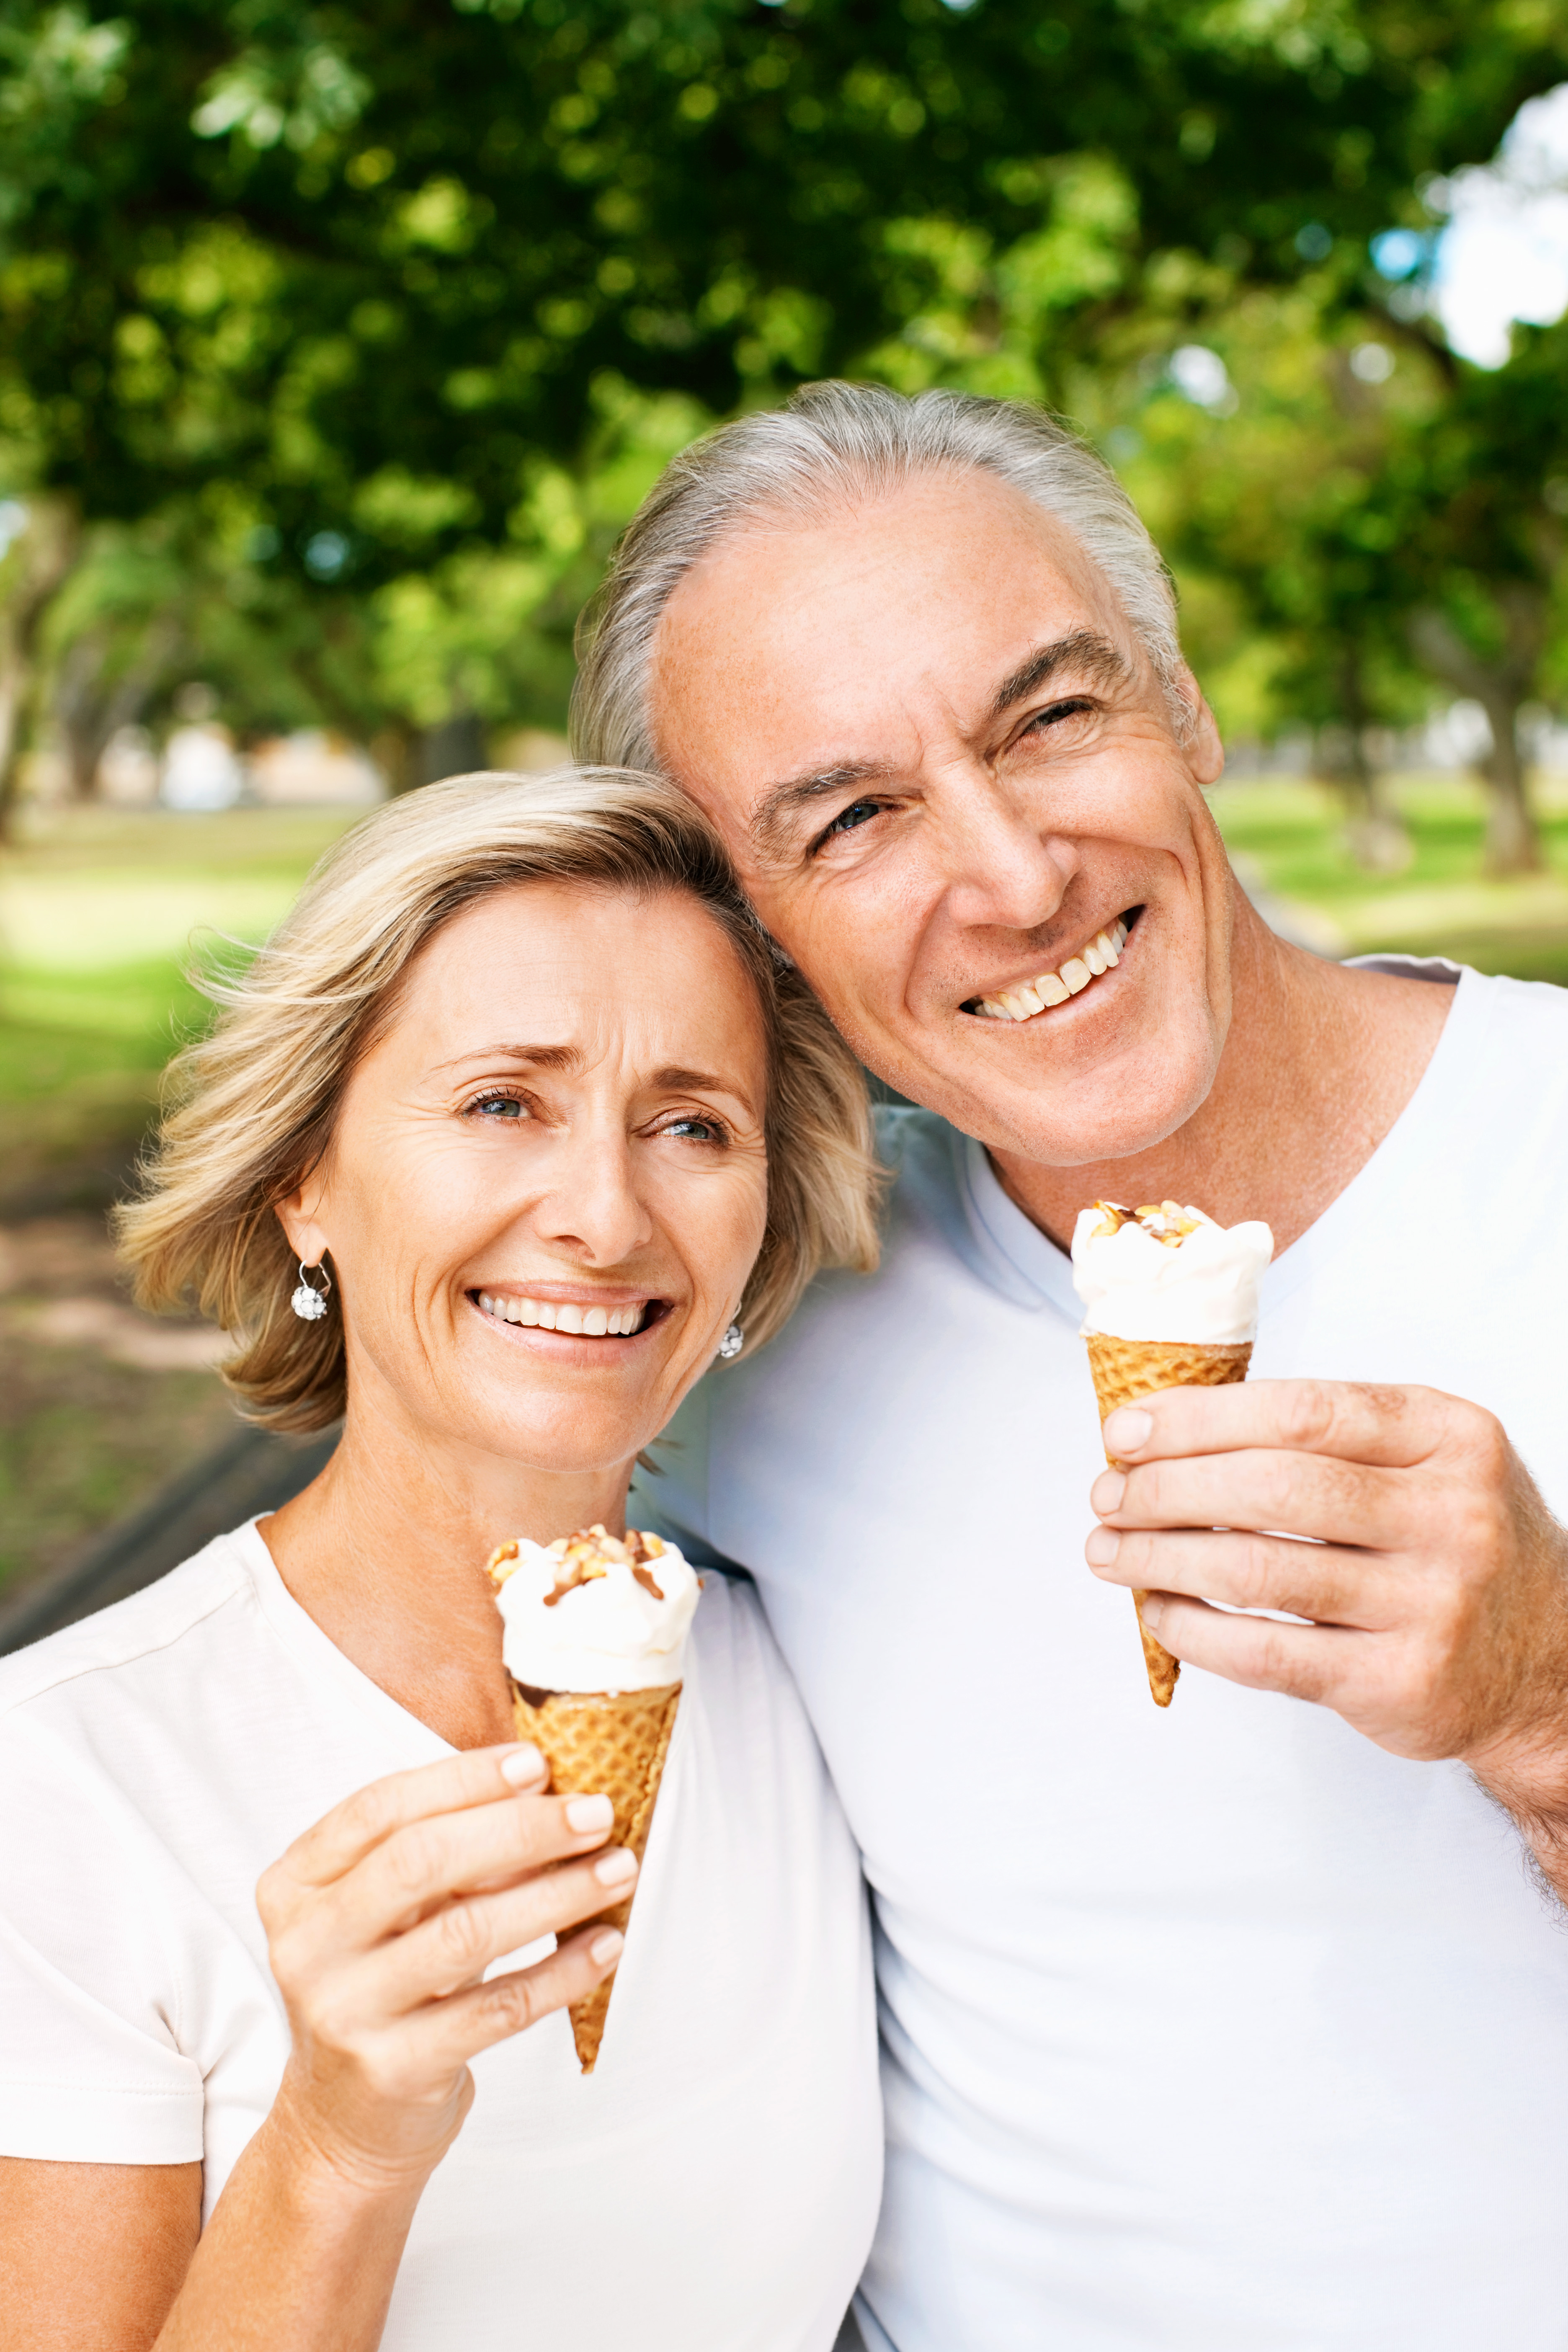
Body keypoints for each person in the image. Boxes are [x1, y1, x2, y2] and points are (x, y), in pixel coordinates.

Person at [570, 384, 1568, 2352]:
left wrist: (1546, 1690)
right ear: (751, 929)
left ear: (1182, 699)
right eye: (852, 819)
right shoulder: (745, 1360)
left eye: (1051, 719)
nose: (1017, 877)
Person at [0, 770, 884, 2352]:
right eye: (503, 1104)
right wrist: (336, 2147)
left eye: (692, 1124)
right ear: (306, 1178)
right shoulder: (64, 1784)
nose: (605, 1220)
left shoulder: (820, 1697)